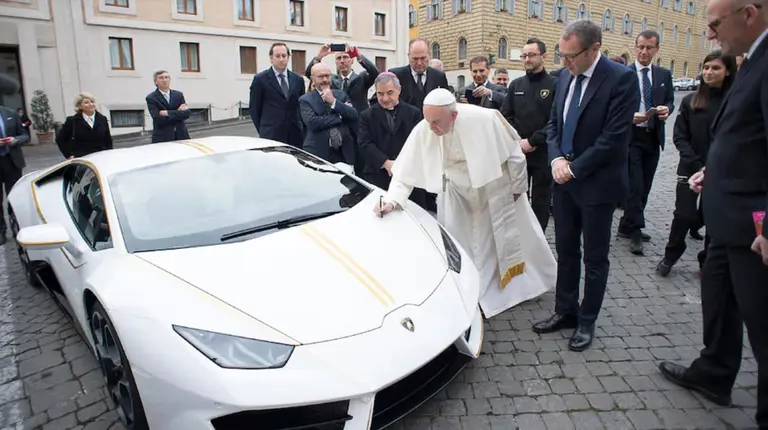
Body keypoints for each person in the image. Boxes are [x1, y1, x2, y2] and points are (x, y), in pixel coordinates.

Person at [657, 0, 768, 426]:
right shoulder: (751, 59)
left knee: (762, 326)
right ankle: (714, 373)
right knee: (718, 302)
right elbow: (747, 139)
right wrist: (712, 170)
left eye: (715, 23)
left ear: (750, 12)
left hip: (753, 229)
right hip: (724, 221)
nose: (709, 35)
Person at [373, 88, 557, 318]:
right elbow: (404, 171)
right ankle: (469, 290)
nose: (431, 129)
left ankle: (512, 290)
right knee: (460, 244)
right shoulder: (426, 127)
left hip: (492, 189)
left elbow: (515, 155)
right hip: (456, 193)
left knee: (496, 243)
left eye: (437, 122)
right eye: (428, 121)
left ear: (454, 115)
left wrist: (517, 188)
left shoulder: (486, 119)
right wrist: (392, 200)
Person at [533, 20, 639, 351]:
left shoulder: (621, 79)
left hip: (596, 185)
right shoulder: (564, 76)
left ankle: (587, 320)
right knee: (566, 249)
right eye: (560, 55)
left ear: (595, 49)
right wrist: (555, 161)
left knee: (595, 257)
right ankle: (565, 310)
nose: (564, 63)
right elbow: (552, 126)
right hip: (563, 182)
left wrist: (573, 168)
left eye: (570, 56)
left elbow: (614, 139)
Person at [656, 50, 737, 277]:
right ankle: (670, 255)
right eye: (706, 67)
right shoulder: (691, 100)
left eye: (716, 68)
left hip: (721, 170)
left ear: (728, 71)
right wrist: (698, 164)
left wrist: (713, 167)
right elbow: (680, 136)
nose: (709, 72)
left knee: (713, 218)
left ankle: (707, 261)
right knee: (683, 215)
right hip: (690, 168)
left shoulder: (734, 101)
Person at [617, 30, 675, 255]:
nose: (643, 51)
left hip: (652, 136)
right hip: (631, 138)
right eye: (640, 47)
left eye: (649, 47)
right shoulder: (624, 74)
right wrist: (629, 116)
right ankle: (636, 232)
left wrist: (666, 109)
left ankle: (626, 224)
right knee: (635, 186)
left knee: (646, 187)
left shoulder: (663, 74)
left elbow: (669, 100)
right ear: (635, 47)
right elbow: (615, 106)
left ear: (656, 49)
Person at [502, 38, 558, 232]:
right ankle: (520, 236)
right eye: (524, 55)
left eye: (531, 55)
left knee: (541, 201)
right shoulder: (516, 85)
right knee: (518, 197)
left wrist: (533, 141)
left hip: (543, 153)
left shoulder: (555, 85)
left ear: (543, 56)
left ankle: (538, 238)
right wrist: (518, 140)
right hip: (518, 153)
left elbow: (555, 121)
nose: (527, 59)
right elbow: (505, 115)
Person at [357, 72, 428, 209]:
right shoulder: (367, 116)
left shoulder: (414, 113)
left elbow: (419, 143)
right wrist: (385, 162)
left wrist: (402, 164)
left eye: (390, 92)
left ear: (399, 90)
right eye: (380, 94)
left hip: (410, 176)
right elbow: (364, 143)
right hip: (378, 176)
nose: (385, 98)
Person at [299, 63, 358, 168]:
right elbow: (312, 123)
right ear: (313, 79)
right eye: (321, 76)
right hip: (317, 153)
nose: (325, 79)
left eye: (327, 75)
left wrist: (333, 101)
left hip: (343, 153)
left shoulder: (341, 95)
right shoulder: (305, 100)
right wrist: (339, 117)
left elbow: (353, 114)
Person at [249, 42, 305, 148]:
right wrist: (264, 129)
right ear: (271, 58)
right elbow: (254, 109)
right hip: (271, 135)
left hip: (295, 135)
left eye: (284, 56)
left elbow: (301, 107)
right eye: (277, 56)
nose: (281, 59)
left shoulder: (298, 80)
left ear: (288, 57)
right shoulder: (260, 79)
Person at [0, 75, 29, 246]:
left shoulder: (10, 113)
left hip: (12, 161)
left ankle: (18, 227)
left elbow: (24, 135)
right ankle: (1, 231)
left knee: (14, 196)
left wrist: (15, 140)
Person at [56, 92, 113, 159]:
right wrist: (69, 155)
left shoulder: (102, 119)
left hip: (101, 158)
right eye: (86, 102)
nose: (90, 104)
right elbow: (60, 140)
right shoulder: (72, 121)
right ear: (79, 106)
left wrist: (109, 154)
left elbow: (108, 140)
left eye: (92, 102)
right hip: (82, 159)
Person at [145, 70, 191, 143]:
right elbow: (158, 119)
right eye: (161, 78)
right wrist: (178, 113)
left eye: (167, 77)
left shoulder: (178, 95)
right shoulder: (151, 98)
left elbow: (187, 114)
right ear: (155, 82)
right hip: (163, 138)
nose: (164, 80)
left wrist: (167, 113)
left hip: (182, 136)